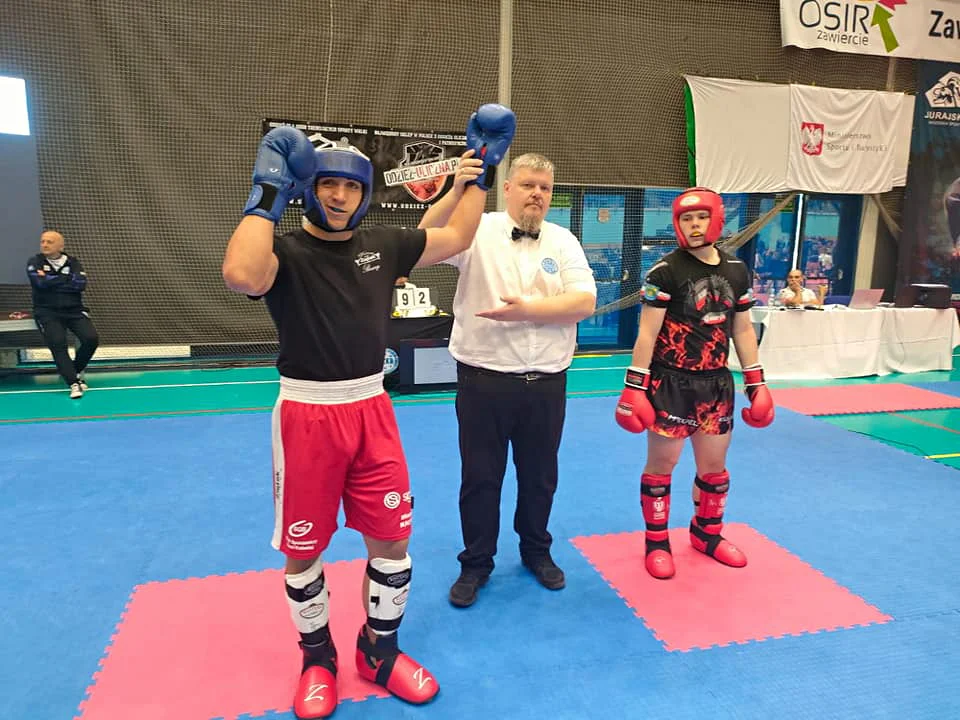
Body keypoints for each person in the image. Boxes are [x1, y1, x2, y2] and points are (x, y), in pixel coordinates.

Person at [221, 104, 515, 719]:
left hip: (372, 408)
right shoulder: (284, 251)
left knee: (393, 541)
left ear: (365, 194)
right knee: (304, 549)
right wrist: (267, 190)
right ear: (308, 189)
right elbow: (242, 274)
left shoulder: (384, 242)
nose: (339, 195)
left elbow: (458, 237)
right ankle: (317, 659)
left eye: (351, 186)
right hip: (307, 412)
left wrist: (482, 172)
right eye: (328, 183)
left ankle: (379, 652)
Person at [419, 152, 597, 608]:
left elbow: (584, 301)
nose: (537, 194)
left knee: (540, 478)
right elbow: (420, 243)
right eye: (529, 185)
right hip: (484, 381)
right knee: (480, 478)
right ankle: (476, 563)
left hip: (547, 383)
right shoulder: (476, 229)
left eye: (545, 187)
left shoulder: (563, 240)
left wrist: (527, 311)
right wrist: (455, 193)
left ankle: (536, 551)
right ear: (508, 189)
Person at [615, 187, 775, 580]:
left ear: (716, 219)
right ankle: (656, 542)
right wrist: (634, 387)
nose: (694, 225)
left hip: (716, 384)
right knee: (662, 465)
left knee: (714, 468)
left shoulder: (736, 270)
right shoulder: (664, 271)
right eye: (686, 219)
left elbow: (742, 329)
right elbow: (647, 333)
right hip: (671, 383)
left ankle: (707, 534)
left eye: (701, 217)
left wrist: (756, 382)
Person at [26, 230, 100, 399]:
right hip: (47, 312)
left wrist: (51, 279)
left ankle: (74, 370)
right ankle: (73, 382)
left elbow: (80, 284)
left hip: (74, 310)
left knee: (91, 339)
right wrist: (65, 279)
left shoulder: (73, 262)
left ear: (60, 246)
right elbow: (40, 283)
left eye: (49, 242)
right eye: (43, 241)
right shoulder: (35, 262)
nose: (45, 245)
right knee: (58, 343)